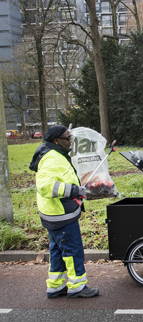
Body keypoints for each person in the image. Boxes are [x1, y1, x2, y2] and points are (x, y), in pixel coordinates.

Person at [29, 125, 99, 299]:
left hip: (54, 213)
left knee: (57, 251)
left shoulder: (55, 153)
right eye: (68, 138)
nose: (71, 141)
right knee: (72, 250)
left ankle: (55, 286)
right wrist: (75, 191)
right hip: (60, 214)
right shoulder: (52, 157)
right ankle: (77, 287)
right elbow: (46, 187)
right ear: (56, 140)